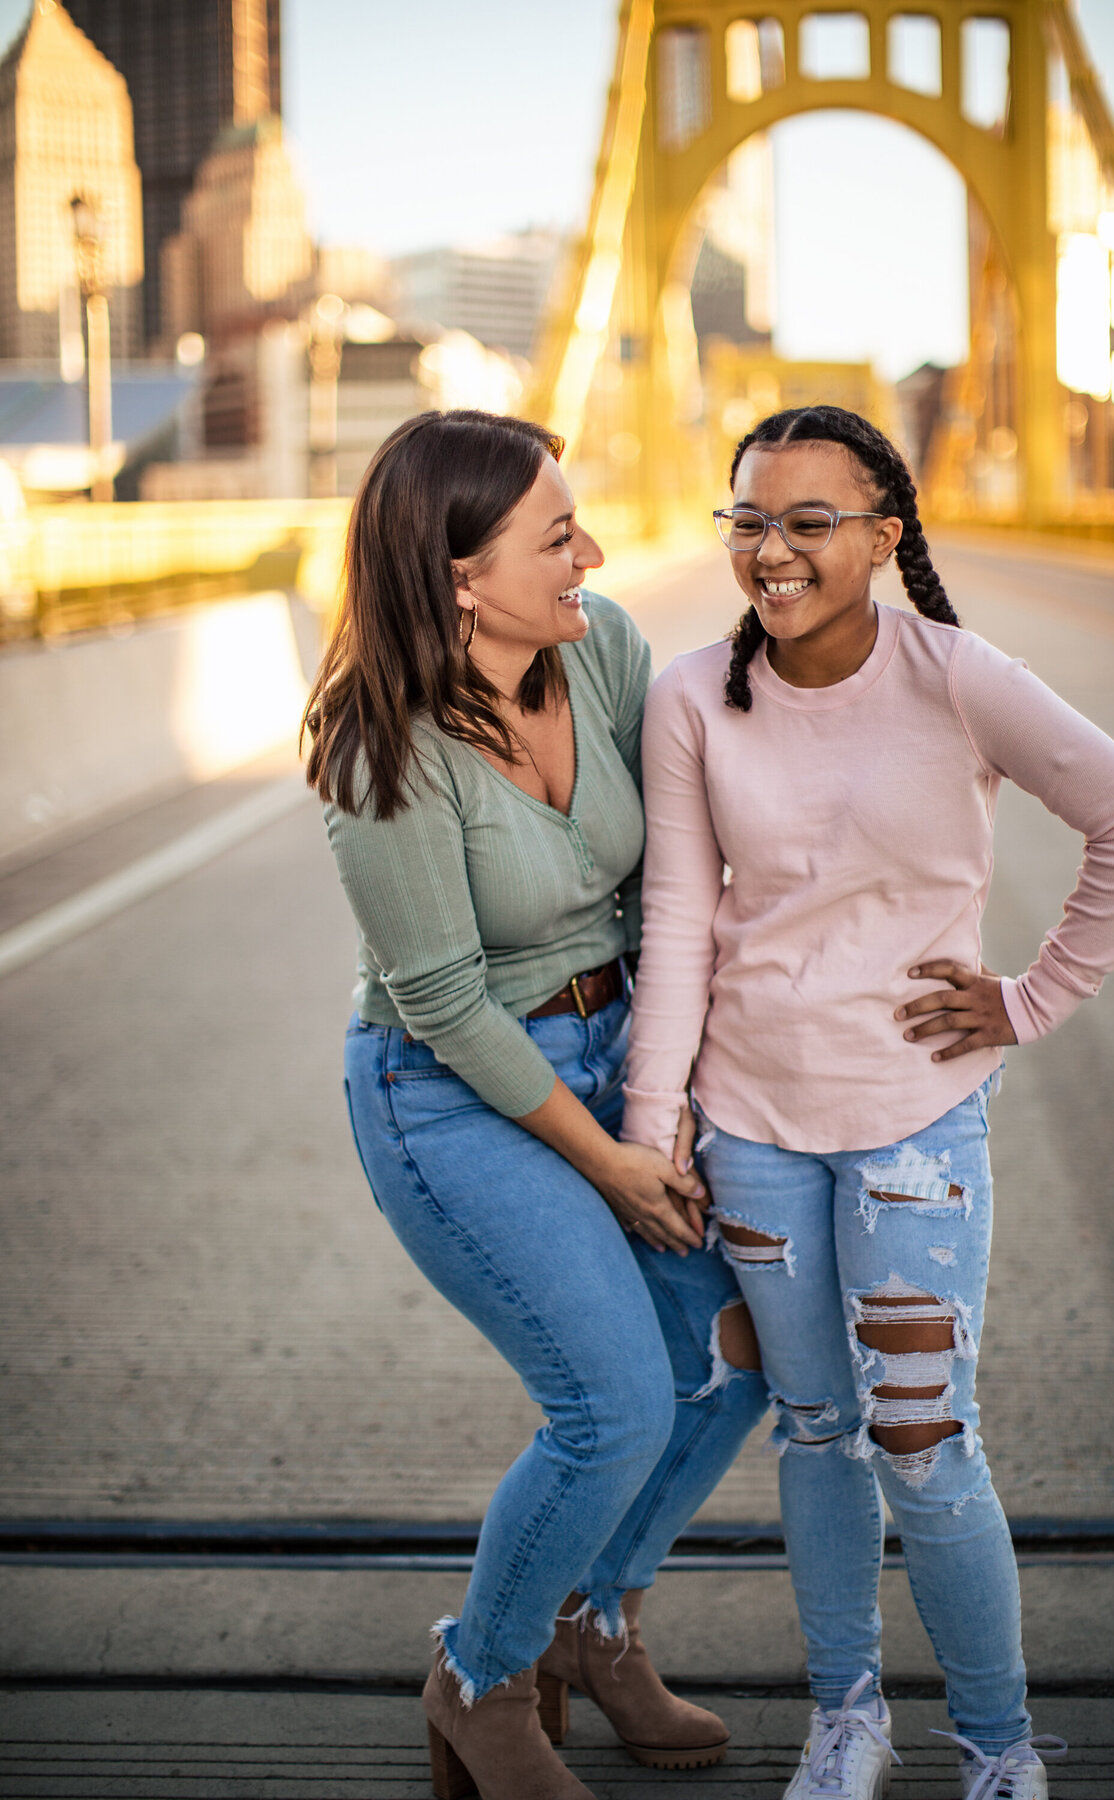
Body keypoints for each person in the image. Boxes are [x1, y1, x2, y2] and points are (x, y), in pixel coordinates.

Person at [621, 404, 1114, 1800]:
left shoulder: (957, 676)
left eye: (813, 521)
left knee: (926, 1448)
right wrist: (654, 1129)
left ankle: (998, 1746)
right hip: (751, 1126)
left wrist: (1031, 997)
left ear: (884, 534)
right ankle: (846, 1718)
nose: (775, 548)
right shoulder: (694, 694)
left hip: (915, 1132)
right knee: (816, 1434)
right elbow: (683, 920)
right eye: (750, 517)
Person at [304, 410, 768, 1800]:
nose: (598, 554)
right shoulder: (373, 746)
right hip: (451, 1092)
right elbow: (444, 1004)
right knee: (615, 1402)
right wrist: (618, 1166)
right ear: (456, 575)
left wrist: (667, 1089)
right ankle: (484, 1679)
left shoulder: (601, 645)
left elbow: (682, 862)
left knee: (731, 1356)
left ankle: (595, 1620)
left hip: (620, 1046)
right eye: (558, 538)